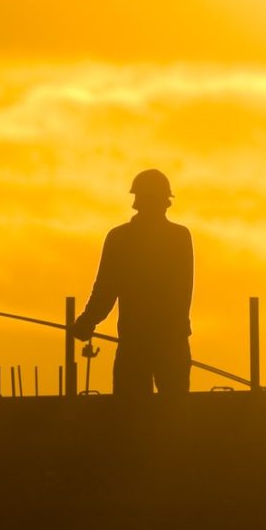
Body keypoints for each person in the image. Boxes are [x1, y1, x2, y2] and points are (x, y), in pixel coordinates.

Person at [68, 169, 194, 394]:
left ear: (137, 201)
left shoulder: (121, 238)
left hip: (138, 342)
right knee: (173, 415)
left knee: (132, 414)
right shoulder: (178, 237)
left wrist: (88, 322)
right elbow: (106, 288)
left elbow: (105, 290)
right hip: (168, 342)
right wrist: (88, 321)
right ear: (166, 202)